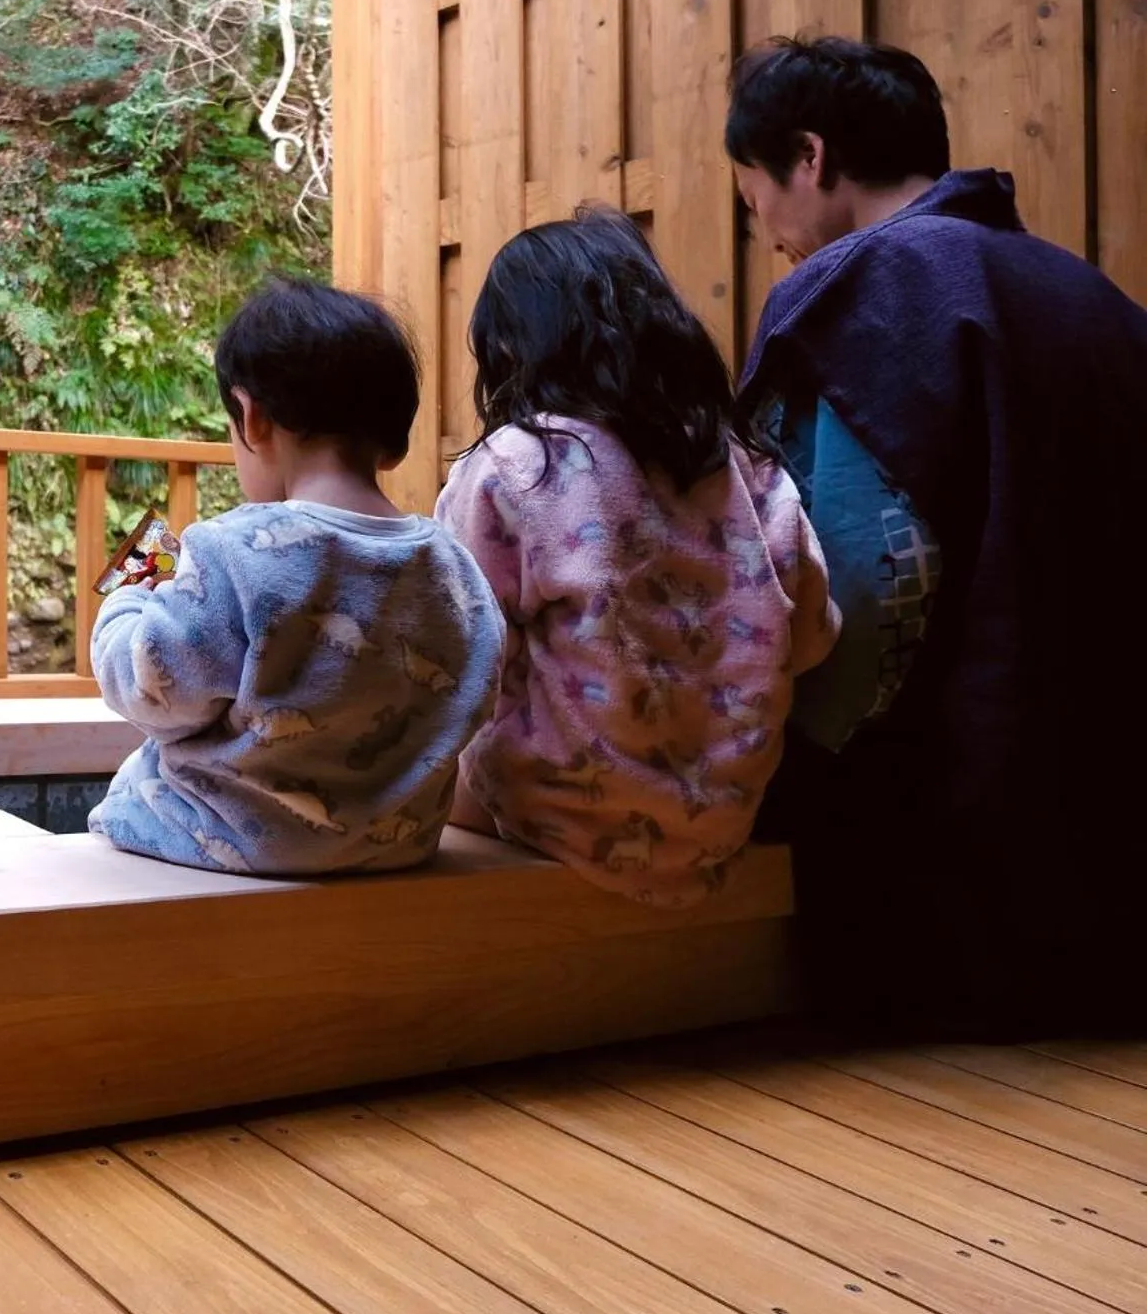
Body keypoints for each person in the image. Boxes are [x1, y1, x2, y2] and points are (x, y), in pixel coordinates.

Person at [727, 35, 1147, 1036]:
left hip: (947, 895)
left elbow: (857, 588)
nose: (772, 238)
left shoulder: (851, 294)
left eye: (756, 204)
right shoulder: (1088, 299)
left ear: (809, 156)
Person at [435, 208, 840, 908]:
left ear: (510, 346)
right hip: (720, 822)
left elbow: (449, 643)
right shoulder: (747, 468)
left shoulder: (520, 465)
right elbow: (813, 637)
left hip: (558, 811)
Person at [87, 278, 504, 875]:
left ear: (252, 419)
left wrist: (127, 603)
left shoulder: (232, 552)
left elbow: (152, 694)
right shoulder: (455, 568)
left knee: (127, 799)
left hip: (228, 839)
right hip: (396, 845)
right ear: (394, 440)